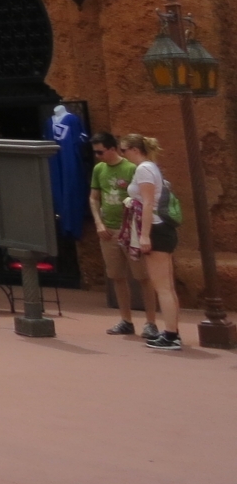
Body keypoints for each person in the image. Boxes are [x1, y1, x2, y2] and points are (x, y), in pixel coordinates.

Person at [121, 133, 182, 351]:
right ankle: (172, 332)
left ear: (135, 150)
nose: (123, 154)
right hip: (160, 228)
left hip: (155, 228)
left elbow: (148, 203)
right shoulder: (151, 167)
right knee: (167, 286)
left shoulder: (144, 169)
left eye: (124, 150)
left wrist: (145, 235)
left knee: (162, 287)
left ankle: (171, 335)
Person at [89, 133, 152, 338]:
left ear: (112, 149)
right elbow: (94, 198)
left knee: (143, 276)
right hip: (109, 230)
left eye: (100, 152)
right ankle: (126, 320)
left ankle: (151, 322)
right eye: (95, 152)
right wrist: (99, 223)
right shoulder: (99, 169)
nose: (98, 156)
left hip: (131, 229)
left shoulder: (131, 168)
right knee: (117, 276)